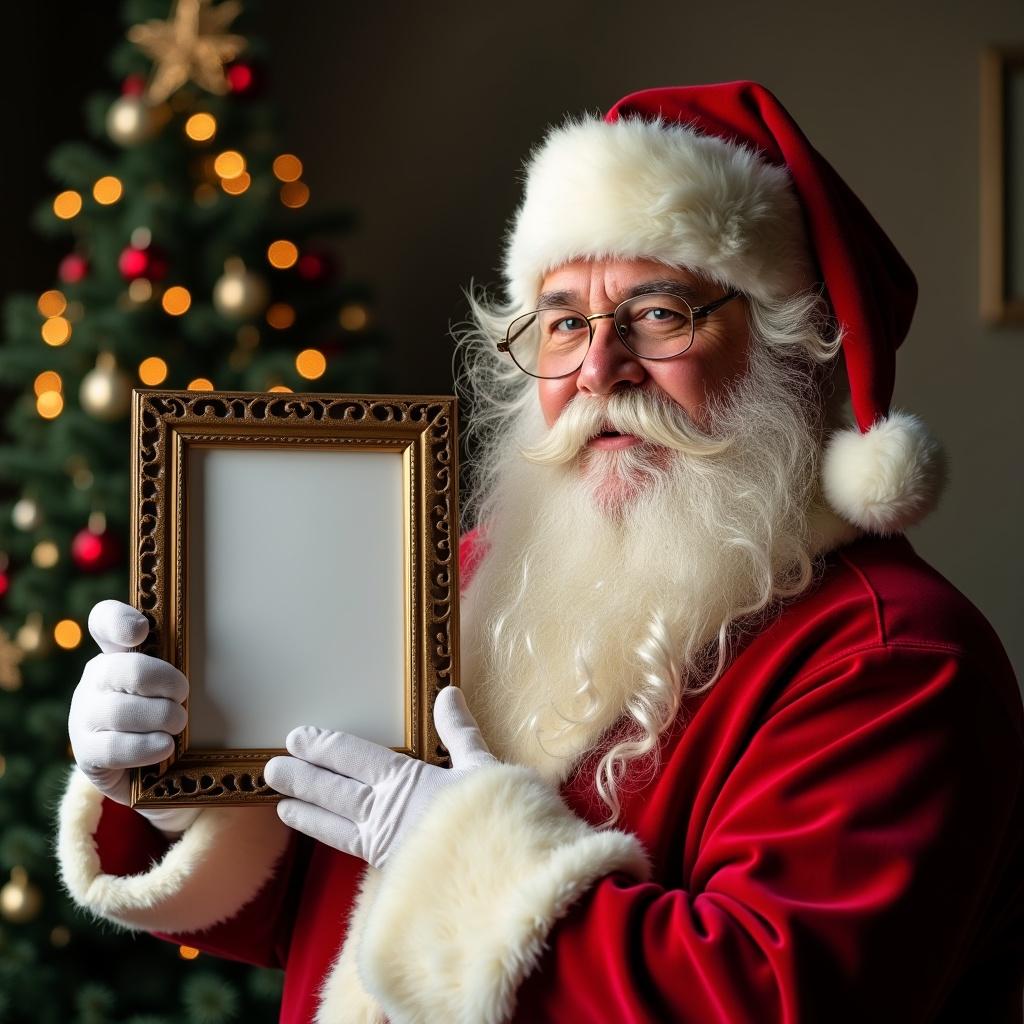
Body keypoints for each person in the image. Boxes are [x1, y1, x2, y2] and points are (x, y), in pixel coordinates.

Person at [57, 82, 1022, 1023]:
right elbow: (314, 909)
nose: (600, 368)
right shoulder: (474, 577)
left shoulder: (895, 656)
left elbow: (768, 999)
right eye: (564, 322)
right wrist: (167, 770)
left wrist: (473, 873)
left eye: (659, 311)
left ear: (788, 345)